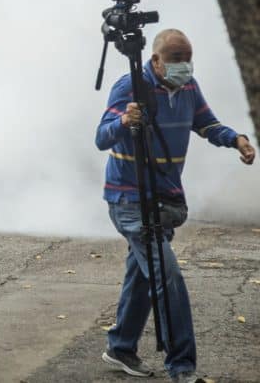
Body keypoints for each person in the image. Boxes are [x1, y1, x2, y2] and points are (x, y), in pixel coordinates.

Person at [95, 29, 255, 382]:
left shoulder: (188, 87)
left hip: (163, 199)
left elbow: (207, 124)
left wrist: (236, 139)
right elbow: (101, 136)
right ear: (156, 60)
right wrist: (124, 120)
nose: (184, 66)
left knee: (142, 276)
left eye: (187, 58)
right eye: (176, 59)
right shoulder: (130, 88)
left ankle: (121, 346)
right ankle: (182, 367)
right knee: (168, 278)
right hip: (129, 199)